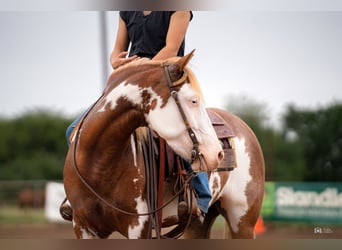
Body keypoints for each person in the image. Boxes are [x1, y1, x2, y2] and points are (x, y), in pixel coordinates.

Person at [60, 11, 211, 221]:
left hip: (165, 82)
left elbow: (171, 49)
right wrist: (117, 62)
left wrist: (138, 71)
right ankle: (79, 191)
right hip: (128, 84)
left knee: (184, 130)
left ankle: (201, 194)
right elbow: (116, 53)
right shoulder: (128, 11)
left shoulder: (179, 9)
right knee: (74, 130)